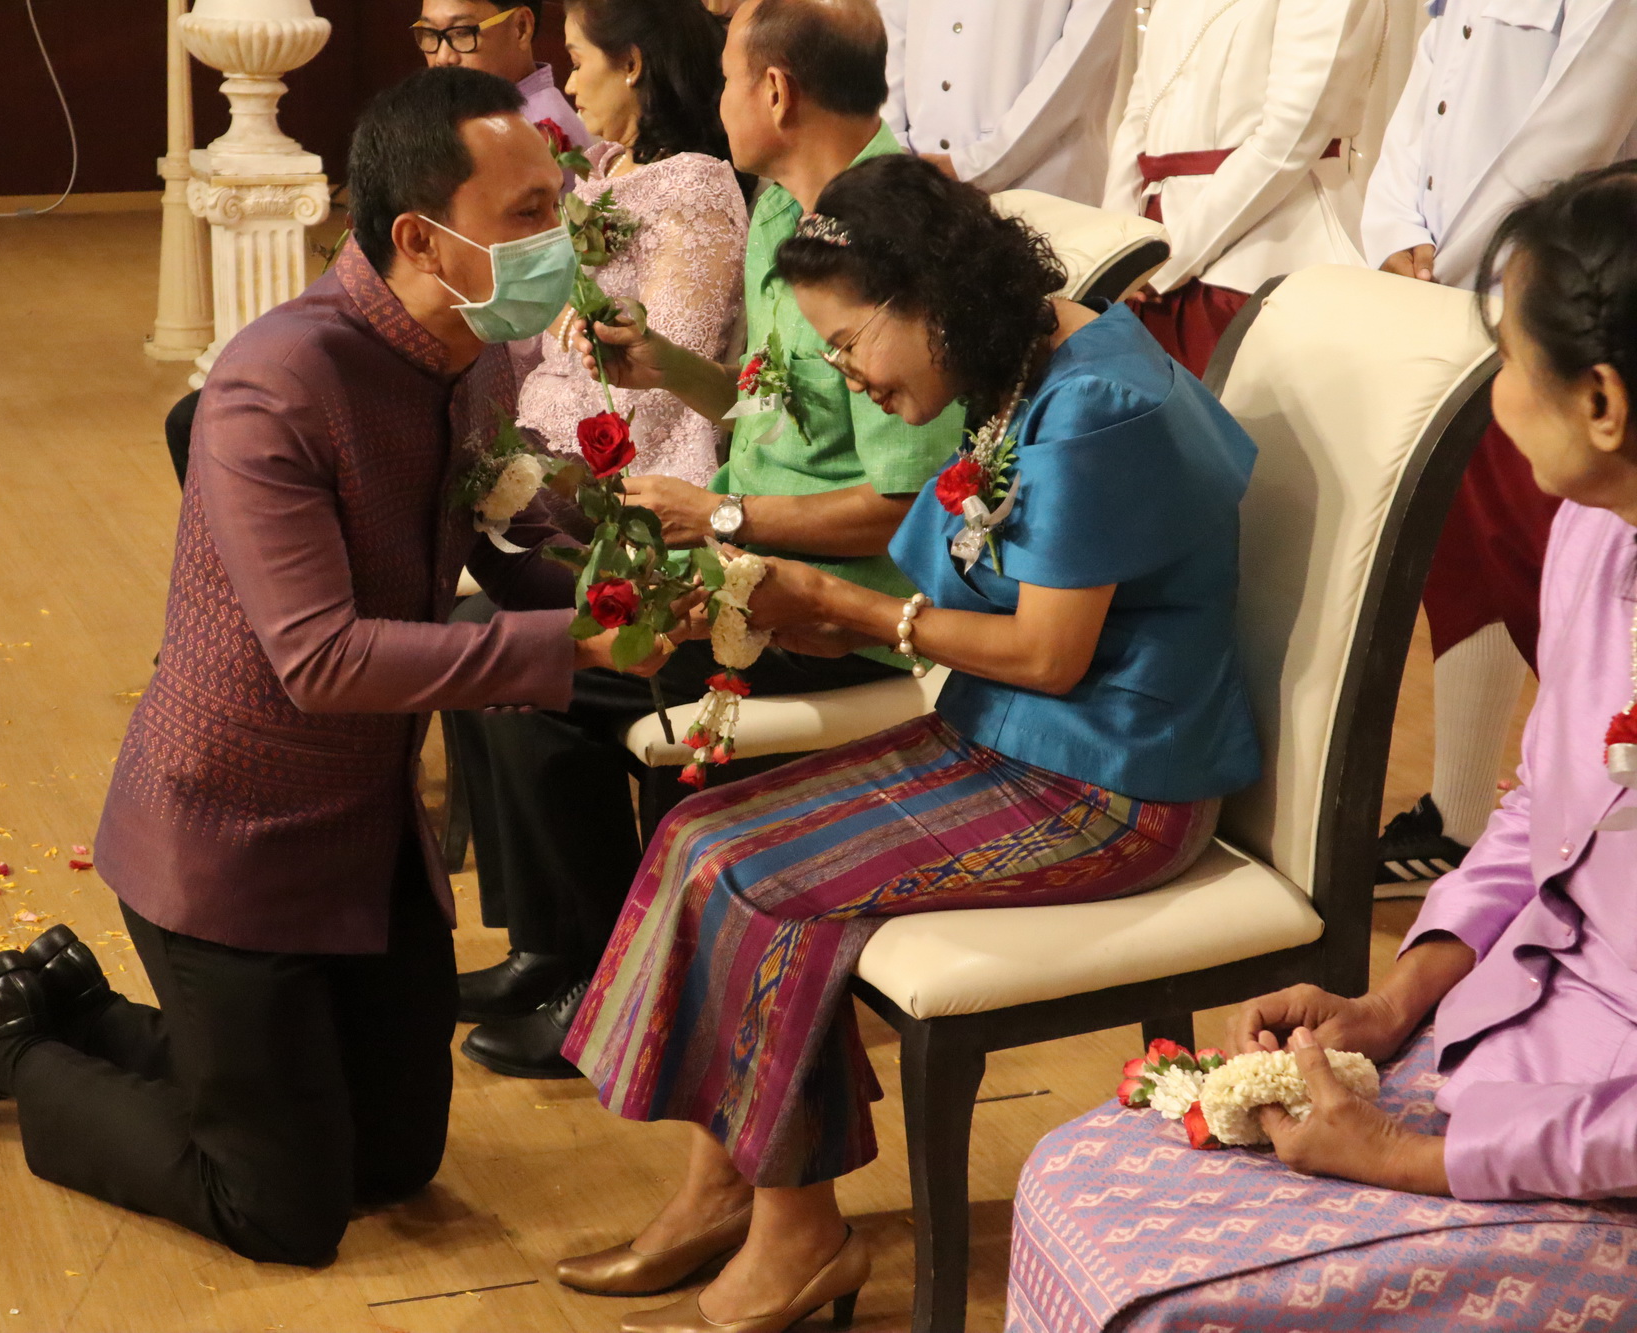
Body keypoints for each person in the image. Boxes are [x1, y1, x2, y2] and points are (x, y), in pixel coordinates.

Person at [0, 68, 672, 1267]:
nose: (558, 236)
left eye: (556, 203)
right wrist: (574, 646)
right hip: (231, 839)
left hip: (365, 828)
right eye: (527, 214)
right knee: (281, 1208)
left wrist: (650, 586)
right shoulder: (277, 379)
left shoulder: (476, 354)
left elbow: (509, 538)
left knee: (391, 1162)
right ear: (421, 238)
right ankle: (7, 1042)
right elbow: (320, 657)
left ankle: (83, 1006)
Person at [557, 152, 1262, 1333]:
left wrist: (848, 609)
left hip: (1109, 783)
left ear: (925, 300)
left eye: (845, 344)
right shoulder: (1012, 361)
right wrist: (807, 611)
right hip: (1016, 736)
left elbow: (1049, 655)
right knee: (695, 830)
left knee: (757, 880)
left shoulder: (1094, 402)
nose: (843, 372)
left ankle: (799, 1233)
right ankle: (727, 1186)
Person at [1010, 160, 1637, 1332]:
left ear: (1600, 401)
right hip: (1510, 1030)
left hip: (1591, 1136)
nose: (1496, 393)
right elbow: (1540, 809)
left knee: (1166, 1305)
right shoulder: (1597, 532)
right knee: (1073, 1175)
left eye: (1506, 359)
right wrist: (1393, 1001)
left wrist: (1408, 1159)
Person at [450, 0, 966, 1083]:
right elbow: (775, 408)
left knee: (532, 674)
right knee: (500, 637)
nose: (713, 97)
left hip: (834, 606)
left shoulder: (892, 234)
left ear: (775, 91)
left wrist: (722, 517)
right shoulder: (783, 205)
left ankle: (609, 986)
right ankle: (565, 955)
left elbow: (905, 504)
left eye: (727, 77)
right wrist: (665, 369)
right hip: (745, 559)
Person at [1362, 0, 1637, 890]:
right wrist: (1397, 229)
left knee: (1550, 576)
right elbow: (1426, 88)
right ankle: (1465, 817)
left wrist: (1478, 277)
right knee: (1471, 558)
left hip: (1553, 292)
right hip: (1457, 287)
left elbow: (1574, 125)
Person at [517, 0, 746, 484]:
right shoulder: (606, 165)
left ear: (631, 64)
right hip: (542, 431)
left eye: (576, 63)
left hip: (622, 466)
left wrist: (550, 464)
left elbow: (657, 388)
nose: (570, 86)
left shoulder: (690, 187)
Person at [1104, 0, 1386, 377]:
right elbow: (1141, 112)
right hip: (1149, 248)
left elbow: (1289, 135)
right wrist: (1117, 246)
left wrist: (1170, 255)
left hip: (1263, 249)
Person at [882, 0, 1131, 204]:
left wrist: (977, 165)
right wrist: (892, 147)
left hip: (1038, 184)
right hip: (911, 184)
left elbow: (1077, 67)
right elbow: (888, 32)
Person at [416, 0, 590, 157]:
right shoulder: (466, 111)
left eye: (462, 32)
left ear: (521, 27)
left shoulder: (544, 132)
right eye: (430, 33)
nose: (442, 58)